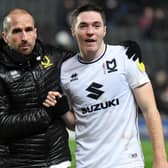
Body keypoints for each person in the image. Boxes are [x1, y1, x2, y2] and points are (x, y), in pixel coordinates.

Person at [44, 3, 168, 168]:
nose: (90, 32)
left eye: (96, 25)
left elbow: (150, 109)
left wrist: (161, 159)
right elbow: (77, 124)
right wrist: (62, 111)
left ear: (104, 30)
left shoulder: (125, 57)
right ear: (73, 31)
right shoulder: (65, 71)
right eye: (83, 26)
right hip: (87, 163)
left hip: (126, 162)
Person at [0, 8, 76, 168]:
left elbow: (88, 61)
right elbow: (2, 124)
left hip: (57, 160)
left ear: (35, 32)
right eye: (17, 31)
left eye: (28, 30)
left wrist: (119, 52)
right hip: (17, 162)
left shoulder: (54, 56)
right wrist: (47, 113)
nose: (24, 37)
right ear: (5, 36)